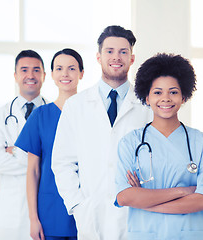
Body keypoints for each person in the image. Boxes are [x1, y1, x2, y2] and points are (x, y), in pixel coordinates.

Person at [51, 26, 152, 239]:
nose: (116, 57)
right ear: (98, 57)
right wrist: (78, 205)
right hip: (92, 216)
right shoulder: (76, 105)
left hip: (136, 215)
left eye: (123, 52)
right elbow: (62, 163)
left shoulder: (148, 106)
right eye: (110, 51)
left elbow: (158, 159)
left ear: (132, 58)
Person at [115, 53, 203, 239]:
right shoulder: (130, 143)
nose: (166, 98)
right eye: (157, 92)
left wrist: (145, 200)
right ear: (147, 98)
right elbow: (124, 197)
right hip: (146, 234)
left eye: (173, 92)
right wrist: (184, 191)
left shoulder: (202, 143)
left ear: (183, 97)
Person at [16, 48, 83, 240]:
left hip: (85, 209)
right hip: (50, 212)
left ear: (82, 73)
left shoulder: (90, 115)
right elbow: (33, 171)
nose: (65, 73)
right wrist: (33, 218)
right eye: (59, 68)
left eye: (71, 68)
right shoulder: (40, 115)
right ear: (52, 75)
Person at [0, 50, 46, 240]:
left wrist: (15, 152)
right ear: (15, 76)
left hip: (43, 206)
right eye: (24, 70)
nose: (30, 75)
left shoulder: (54, 113)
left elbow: (57, 162)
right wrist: (38, 160)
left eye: (36, 70)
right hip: (10, 211)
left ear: (44, 75)